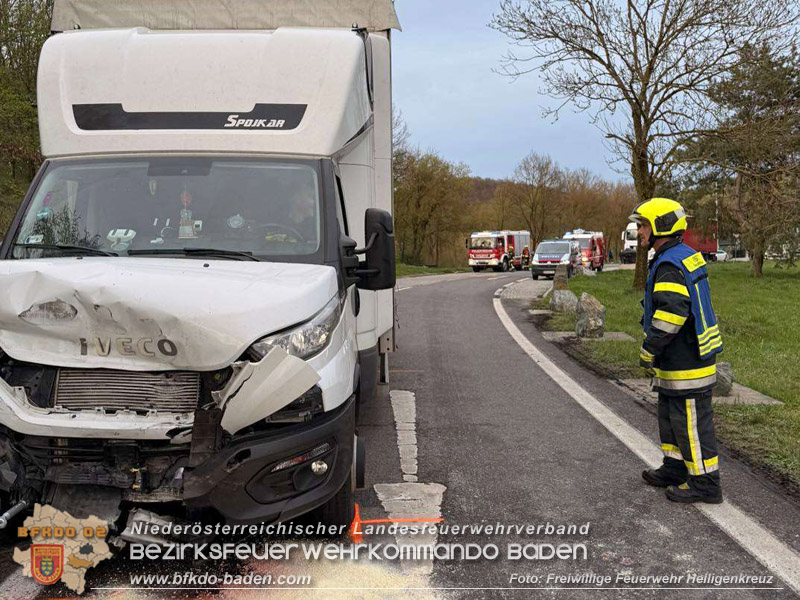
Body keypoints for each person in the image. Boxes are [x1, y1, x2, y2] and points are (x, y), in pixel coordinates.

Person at [629, 198, 724, 504]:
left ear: (662, 225)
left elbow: (671, 315)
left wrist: (649, 348)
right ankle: (675, 467)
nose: (639, 232)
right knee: (671, 417)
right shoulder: (681, 256)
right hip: (683, 355)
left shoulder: (669, 265)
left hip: (686, 359)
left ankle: (706, 483)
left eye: (643, 225)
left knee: (690, 423)